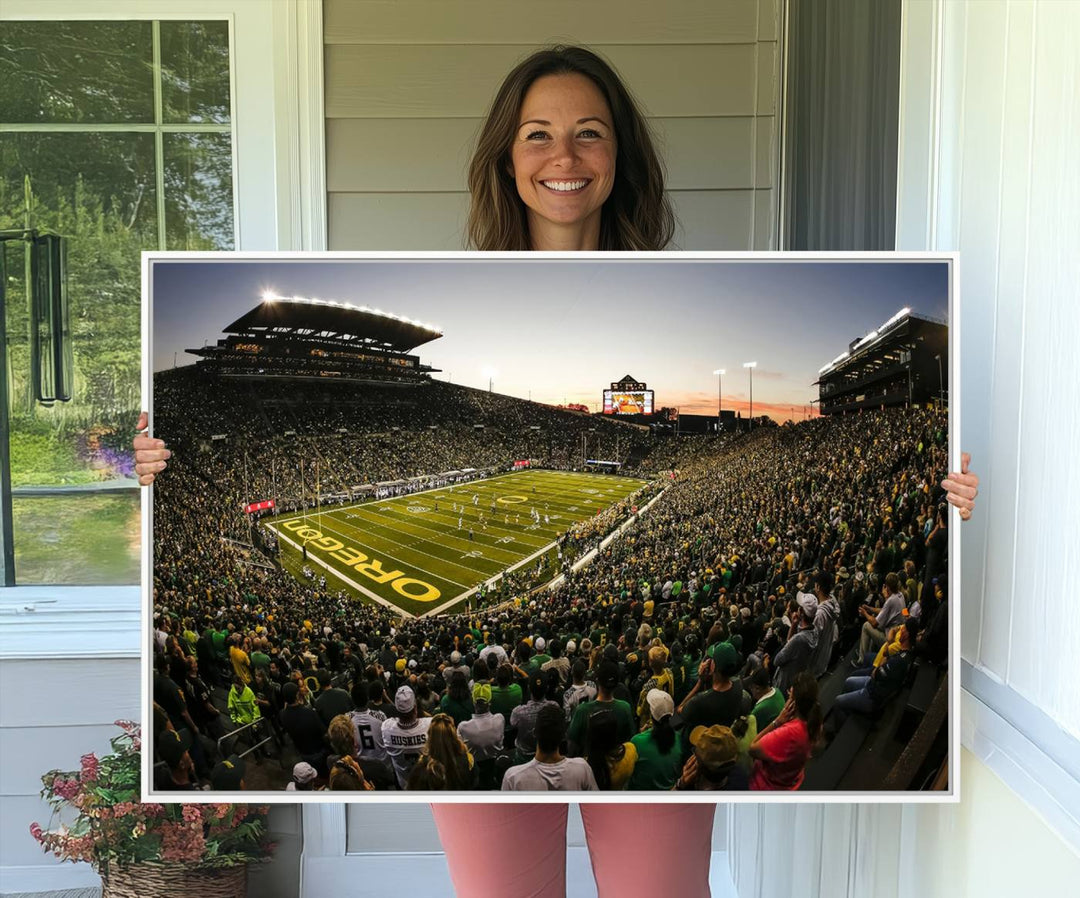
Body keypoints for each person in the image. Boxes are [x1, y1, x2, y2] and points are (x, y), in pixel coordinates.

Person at [133, 42, 980, 898]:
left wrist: (949, 494)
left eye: (590, 133)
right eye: (537, 134)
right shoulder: (444, 267)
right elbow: (120, 484)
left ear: (623, 156)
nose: (563, 157)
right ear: (505, 156)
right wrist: (142, 463)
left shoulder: (705, 268)